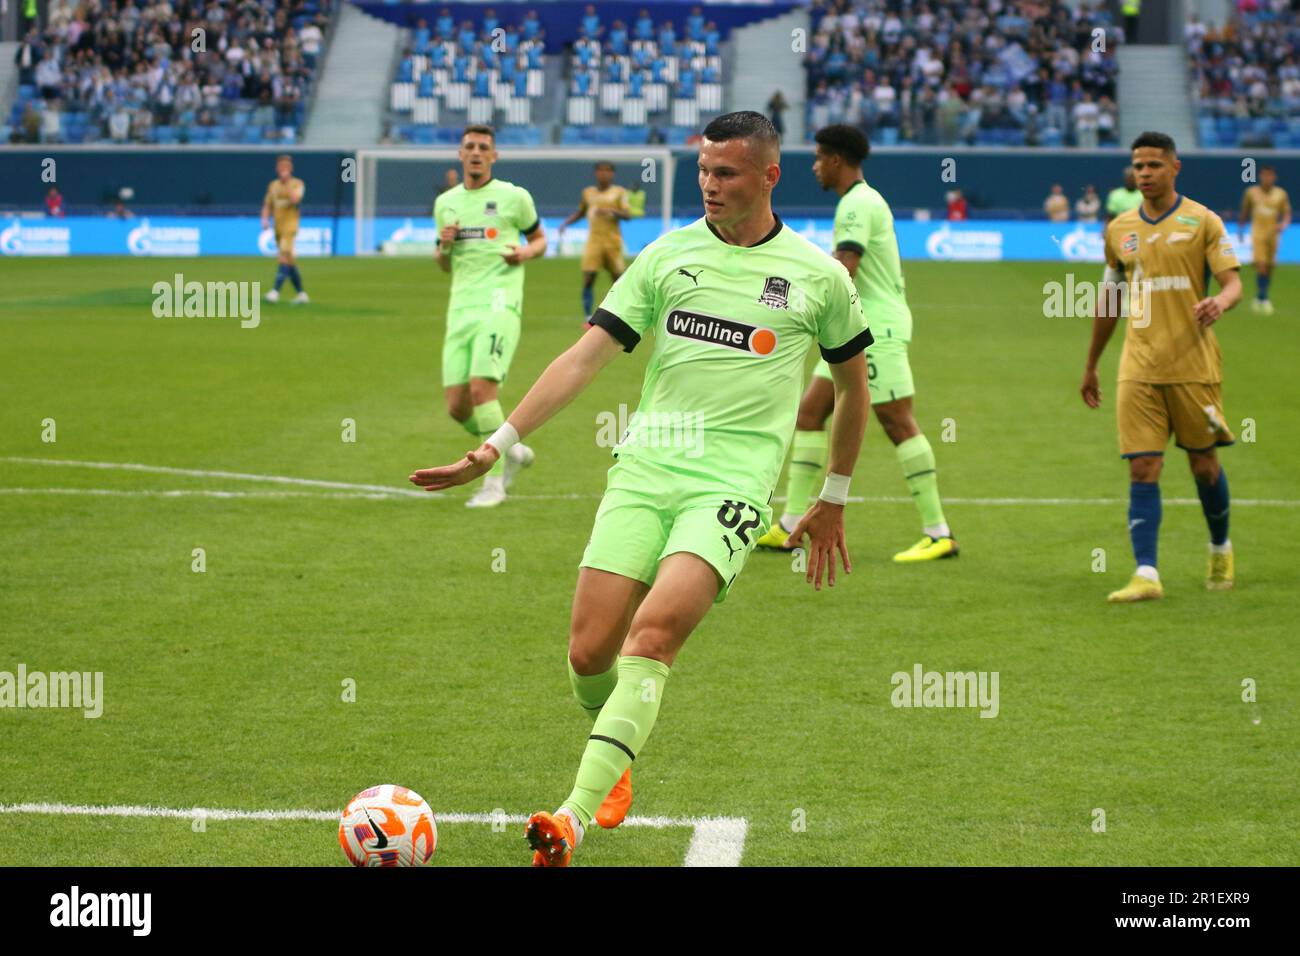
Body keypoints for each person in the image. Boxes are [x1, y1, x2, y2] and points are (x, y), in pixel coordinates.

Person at [409, 112, 872, 866]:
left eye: (726, 173)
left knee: (652, 636)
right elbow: (584, 358)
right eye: (703, 171)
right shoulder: (666, 255)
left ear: (769, 175)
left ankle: (571, 818)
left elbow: (854, 386)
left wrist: (834, 493)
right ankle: (616, 760)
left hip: (730, 487)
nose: (711, 186)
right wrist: (495, 446)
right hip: (645, 469)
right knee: (590, 652)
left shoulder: (818, 277)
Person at [759, 124, 954, 561]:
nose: (813, 168)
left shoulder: (857, 204)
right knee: (809, 414)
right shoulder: (861, 201)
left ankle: (939, 532)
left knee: (897, 420)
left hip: (874, 330)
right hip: (851, 331)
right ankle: (791, 524)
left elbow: (844, 267)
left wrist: (794, 301)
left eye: (817, 159)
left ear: (835, 160)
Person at [1082, 132, 1242, 602]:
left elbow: (1232, 283)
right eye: (1138, 166)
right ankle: (1146, 573)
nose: (1145, 173)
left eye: (1154, 165)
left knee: (1204, 464)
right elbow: (1109, 298)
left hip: (1194, 365)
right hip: (1139, 365)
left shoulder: (1202, 221)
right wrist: (1091, 364)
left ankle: (1219, 546)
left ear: (1175, 168)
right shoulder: (1119, 229)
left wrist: (1221, 302)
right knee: (1143, 467)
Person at [432, 124, 546, 508]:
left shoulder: (515, 198)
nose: (476, 152)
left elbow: (540, 240)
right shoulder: (446, 203)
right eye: (470, 147)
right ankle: (509, 447)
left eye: (484, 147)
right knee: (457, 406)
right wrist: (444, 248)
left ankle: (493, 484)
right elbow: (443, 265)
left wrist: (523, 255)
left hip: (500, 303)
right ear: (460, 155)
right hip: (460, 308)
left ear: (493, 156)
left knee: (483, 389)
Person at [559, 161, 632, 320]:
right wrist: (566, 223)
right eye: (600, 171)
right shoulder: (588, 193)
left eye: (607, 171)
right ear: (596, 173)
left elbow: (628, 215)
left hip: (613, 241)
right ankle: (588, 316)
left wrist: (612, 211)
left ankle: (622, 313)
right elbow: (581, 212)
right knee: (588, 277)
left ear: (612, 174)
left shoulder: (619, 192)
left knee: (618, 280)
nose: (604, 174)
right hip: (594, 241)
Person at [1238, 164, 1290, 314]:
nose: (1267, 179)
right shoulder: (1251, 192)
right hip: (1257, 234)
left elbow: (1286, 213)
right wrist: (1241, 229)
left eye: (1270, 176)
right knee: (1261, 265)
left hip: (1273, 235)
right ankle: (1263, 297)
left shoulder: (1281, 194)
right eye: (1264, 175)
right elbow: (1245, 211)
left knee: (1269, 267)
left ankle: (1261, 296)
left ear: (1274, 177)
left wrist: (1284, 224)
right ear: (1260, 176)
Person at [261, 155, 308, 305]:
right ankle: (301, 294)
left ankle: (275, 292)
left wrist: (287, 184)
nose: (284, 170)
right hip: (278, 226)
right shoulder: (273, 185)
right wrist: (265, 218)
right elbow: (268, 204)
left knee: (283, 256)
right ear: (277, 169)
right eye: (281, 167)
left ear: (291, 169)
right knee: (289, 260)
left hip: (290, 225)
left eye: (286, 168)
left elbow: (295, 200)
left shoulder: (297, 183)